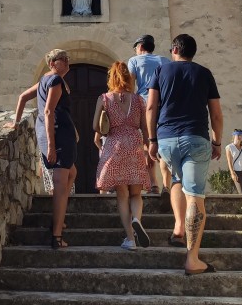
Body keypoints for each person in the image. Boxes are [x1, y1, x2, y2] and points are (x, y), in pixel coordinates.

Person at [146, 34, 224, 275]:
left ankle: (179, 228)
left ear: (174, 50)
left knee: (178, 180)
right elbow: (216, 114)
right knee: (195, 196)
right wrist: (217, 142)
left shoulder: (161, 71)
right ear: (193, 52)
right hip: (195, 137)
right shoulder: (204, 73)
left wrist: (151, 140)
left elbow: (151, 107)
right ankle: (192, 259)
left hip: (167, 139)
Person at [92, 61, 152, 250]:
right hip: (134, 144)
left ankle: (130, 239)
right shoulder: (138, 100)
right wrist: (149, 148)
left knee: (122, 195)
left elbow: (95, 127)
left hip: (115, 145)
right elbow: (145, 128)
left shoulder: (104, 98)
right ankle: (136, 219)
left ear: (111, 77)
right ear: (128, 78)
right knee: (136, 193)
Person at [31, 48, 77, 248]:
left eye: (67, 59)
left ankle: (59, 219)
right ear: (52, 63)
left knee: (71, 173)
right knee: (60, 181)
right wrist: (51, 145)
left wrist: (15, 121)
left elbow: (23, 97)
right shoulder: (55, 80)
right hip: (59, 135)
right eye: (62, 59)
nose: (67, 62)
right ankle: (56, 234)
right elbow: (49, 111)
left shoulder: (44, 80)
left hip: (60, 132)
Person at [127, 34, 172, 195]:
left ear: (140, 47)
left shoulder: (134, 61)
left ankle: (153, 184)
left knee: (148, 144)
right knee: (165, 143)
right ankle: (168, 184)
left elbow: (130, 86)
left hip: (145, 104)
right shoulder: (165, 61)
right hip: (164, 105)